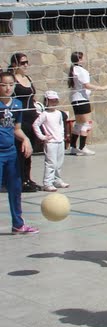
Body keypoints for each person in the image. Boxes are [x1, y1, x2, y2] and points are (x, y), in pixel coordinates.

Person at [1, 71, 38, 234]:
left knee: (15, 189)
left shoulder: (17, 105)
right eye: (3, 85)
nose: (7, 88)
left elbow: (16, 129)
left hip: (11, 154)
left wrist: (25, 139)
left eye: (10, 84)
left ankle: (18, 224)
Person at [9, 53, 40, 192]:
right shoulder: (12, 81)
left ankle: (28, 178)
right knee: (21, 150)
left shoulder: (29, 78)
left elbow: (33, 97)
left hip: (32, 116)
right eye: (23, 63)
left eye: (27, 62)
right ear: (15, 64)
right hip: (20, 118)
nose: (26, 65)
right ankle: (20, 179)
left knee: (30, 150)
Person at [68, 51, 106, 156]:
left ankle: (73, 147)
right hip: (82, 99)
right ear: (80, 59)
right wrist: (101, 88)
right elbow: (87, 85)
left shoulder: (73, 69)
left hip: (75, 99)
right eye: (83, 57)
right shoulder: (81, 71)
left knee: (79, 123)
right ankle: (82, 147)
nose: (84, 59)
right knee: (86, 123)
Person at [33, 91, 68, 192]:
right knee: (51, 163)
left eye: (55, 100)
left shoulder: (59, 113)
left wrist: (62, 136)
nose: (54, 102)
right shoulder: (44, 114)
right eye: (51, 100)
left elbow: (61, 125)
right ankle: (47, 183)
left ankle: (57, 180)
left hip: (60, 141)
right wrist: (43, 137)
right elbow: (36, 125)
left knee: (59, 163)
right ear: (46, 101)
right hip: (51, 142)